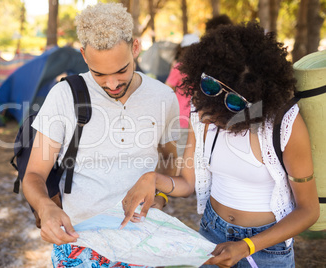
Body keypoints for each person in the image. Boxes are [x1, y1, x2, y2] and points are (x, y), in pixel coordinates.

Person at [121, 22, 320, 267]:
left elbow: (308, 211)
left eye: (232, 108)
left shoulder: (284, 123)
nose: (207, 118)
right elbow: (187, 182)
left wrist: (246, 246)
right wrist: (153, 180)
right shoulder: (204, 112)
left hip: (266, 248)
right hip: (212, 235)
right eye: (205, 105)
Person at [22, 2, 180, 268]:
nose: (112, 84)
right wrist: (46, 207)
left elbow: (171, 160)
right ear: (84, 55)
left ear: (136, 48)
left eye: (121, 70)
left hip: (143, 240)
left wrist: (161, 198)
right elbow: (34, 175)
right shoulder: (63, 96)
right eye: (100, 74)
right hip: (80, 240)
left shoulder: (163, 97)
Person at [165, 33, 200, 130]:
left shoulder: (179, 67)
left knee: (183, 144)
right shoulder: (204, 68)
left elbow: (167, 89)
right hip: (199, 117)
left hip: (181, 116)